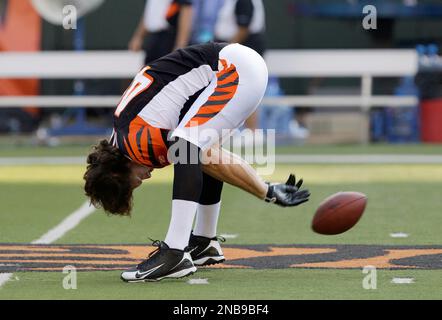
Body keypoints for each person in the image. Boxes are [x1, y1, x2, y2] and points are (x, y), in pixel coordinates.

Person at [83, 42, 310, 282]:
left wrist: (265, 191)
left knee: (187, 146)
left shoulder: (137, 142)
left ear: (117, 173)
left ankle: (175, 252)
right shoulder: (123, 134)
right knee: (194, 147)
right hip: (236, 66)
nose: (145, 179)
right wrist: (266, 190)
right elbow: (208, 158)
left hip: (234, 70)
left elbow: (196, 154)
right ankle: (203, 242)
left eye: (133, 183)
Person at [214, 0, 266, 133]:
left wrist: (224, 50)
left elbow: (244, 28)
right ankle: (239, 131)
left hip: (243, 49)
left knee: (246, 90)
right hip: (238, 50)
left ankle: (252, 131)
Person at [128, 0, 193, 64]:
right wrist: (138, 37)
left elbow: (186, 11)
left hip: (169, 38)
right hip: (155, 38)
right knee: (147, 71)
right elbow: (150, 12)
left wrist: (180, 46)